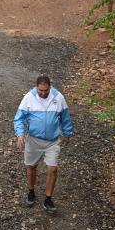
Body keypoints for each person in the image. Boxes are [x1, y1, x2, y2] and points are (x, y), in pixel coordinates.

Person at [13, 76, 73, 213]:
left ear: (50, 87)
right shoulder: (29, 97)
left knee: (53, 169)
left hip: (53, 141)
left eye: (46, 90)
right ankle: (31, 191)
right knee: (31, 166)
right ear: (36, 87)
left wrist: (67, 133)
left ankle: (48, 199)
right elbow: (19, 119)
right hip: (34, 140)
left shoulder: (58, 97)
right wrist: (20, 134)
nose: (43, 93)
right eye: (41, 90)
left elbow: (66, 117)